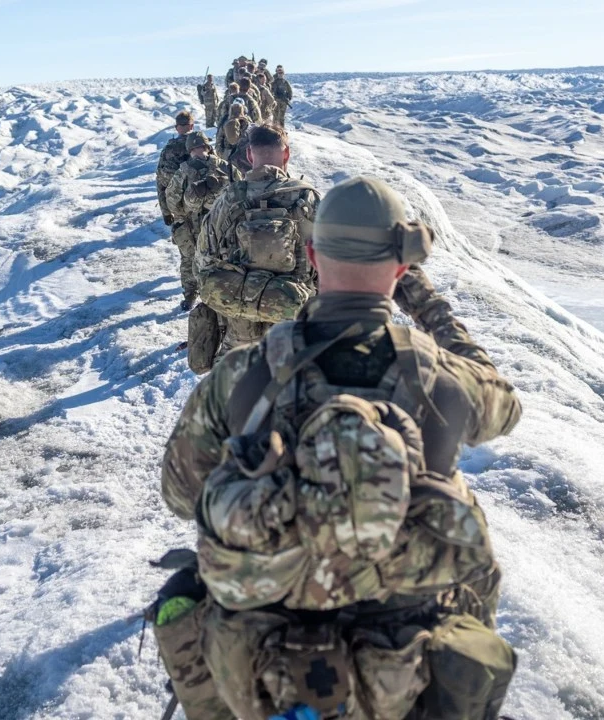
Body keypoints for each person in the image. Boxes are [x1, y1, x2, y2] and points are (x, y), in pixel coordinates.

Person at [157, 175, 522, 720]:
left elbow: (181, 494)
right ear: (400, 270)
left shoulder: (241, 376)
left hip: (263, 672)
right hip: (405, 674)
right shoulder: (447, 380)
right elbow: (505, 404)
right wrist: (426, 303)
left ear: (310, 254)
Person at [195, 123, 318, 363]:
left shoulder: (228, 199)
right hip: (292, 330)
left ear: (250, 155)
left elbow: (203, 262)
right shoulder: (308, 198)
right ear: (286, 153)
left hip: (239, 331)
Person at [165, 131, 232, 311]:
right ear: (207, 146)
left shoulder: (184, 170)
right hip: (219, 223)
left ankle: (189, 296)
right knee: (220, 258)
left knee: (189, 260)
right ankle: (220, 294)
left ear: (189, 149)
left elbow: (171, 198)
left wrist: (182, 214)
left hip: (191, 224)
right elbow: (238, 192)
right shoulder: (224, 166)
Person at [156, 110, 194, 227]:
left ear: (176, 128)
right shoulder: (201, 146)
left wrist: (166, 212)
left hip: (178, 204)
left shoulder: (168, 149)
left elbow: (161, 181)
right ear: (192, 125)